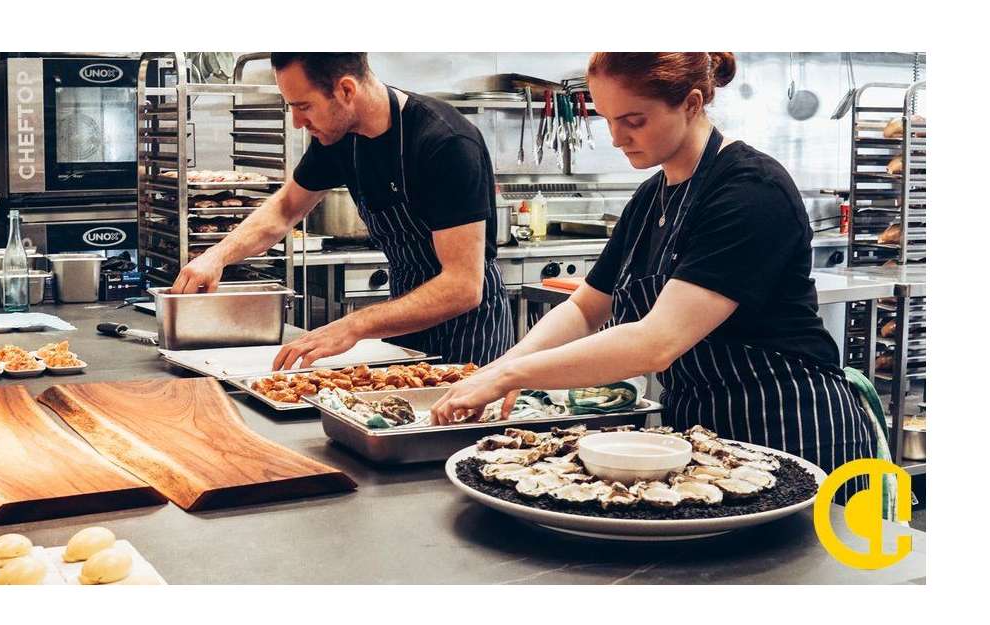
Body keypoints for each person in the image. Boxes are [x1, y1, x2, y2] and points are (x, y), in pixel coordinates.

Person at [432, 52, 876, 501]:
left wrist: (512, 376)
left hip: (793, 428)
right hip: (702, 440)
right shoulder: (650, 200)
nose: (618, 138)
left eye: (634, 120)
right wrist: (500, 368)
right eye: (607, 119)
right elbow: (585, 309)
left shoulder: (750, 190)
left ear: (692, 102)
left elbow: (656, 343)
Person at [171, 52, 513, 370]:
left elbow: (463, 287)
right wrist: (216, 257)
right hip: (404, 322)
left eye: (303, 106)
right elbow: (285, 209)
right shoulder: (339, 138)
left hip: (469, 336)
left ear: (346, 89)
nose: (296, 121)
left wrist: (353, 325)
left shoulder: (444, 143)